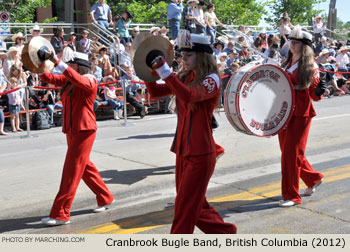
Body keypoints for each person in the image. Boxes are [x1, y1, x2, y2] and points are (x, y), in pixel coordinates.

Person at [143, 30, 237, 233]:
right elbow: (156, 92)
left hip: (201, 154)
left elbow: (190, 96)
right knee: (196, 207)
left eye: (189, 55)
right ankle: (226, 233)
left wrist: (165, 71)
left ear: (202, 55)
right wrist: (147, 72)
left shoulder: (212, 79)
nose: (183, 59)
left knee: (184, 209)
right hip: (183, 151)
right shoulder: (186, 76)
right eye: (182, 55)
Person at [39, 50, 115, 226]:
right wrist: (41, 63)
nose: (69, 68)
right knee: (85, 167)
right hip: (73, 130)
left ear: (81, 67)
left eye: (72, 65)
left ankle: (61, 213)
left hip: (84, 129)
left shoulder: (90, 79)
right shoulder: (69, 80)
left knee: (71, 171)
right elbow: (47, 78)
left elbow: (75, 77)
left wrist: (56, 61)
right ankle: (105, 197)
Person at [279, 26, 325, 207]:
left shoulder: (311, 66)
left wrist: (320, 89)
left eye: (296, 42)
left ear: (305, 46)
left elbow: (315, 96)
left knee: (290, 155)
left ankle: (292, 195)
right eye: (291, 41)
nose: (292, 45)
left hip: (301, 114)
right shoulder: (287, 62)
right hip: (284, 113)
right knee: (289, 153)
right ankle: (313, 178)